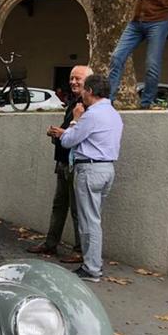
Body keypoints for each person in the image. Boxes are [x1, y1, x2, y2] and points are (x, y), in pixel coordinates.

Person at [52, 74, 124, 283]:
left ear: (90, 91)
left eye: (83, 89)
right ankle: (92, 264)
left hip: (89, 169)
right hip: (107, 168)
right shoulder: (113, 114)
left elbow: (69, 140)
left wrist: (73, 120)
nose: (81, 93)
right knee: (94, 218)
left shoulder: (91, 115)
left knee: (88, 221)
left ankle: (92, 268)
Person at [27, 65, 93, 263]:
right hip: (63, 161)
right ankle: (51, 243)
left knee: (76, 208)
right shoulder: (74, 102)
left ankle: (80, 250)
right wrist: (58, 133)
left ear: (88, 82)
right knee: (59, 205)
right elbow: (69, 131)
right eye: (72, 78)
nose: (73, 82)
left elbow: (78, 134)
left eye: (78, 79)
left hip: (75, 164)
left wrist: (61, 133)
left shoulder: (88, 106)